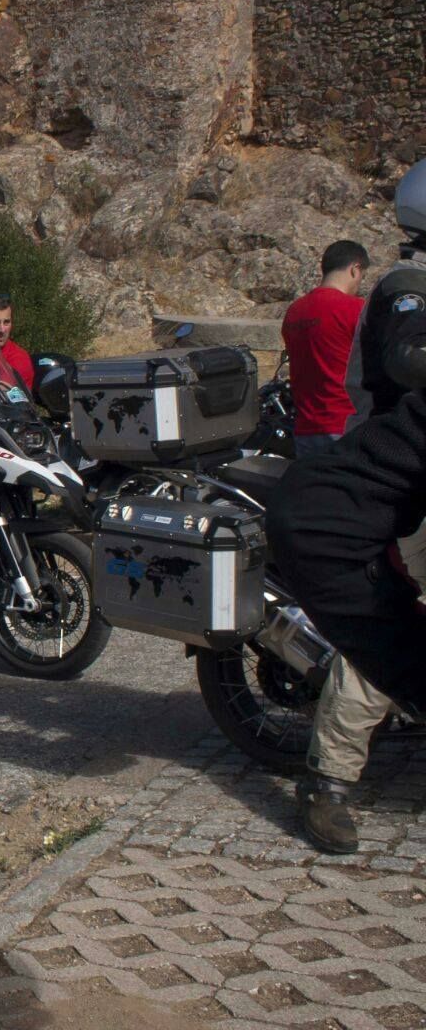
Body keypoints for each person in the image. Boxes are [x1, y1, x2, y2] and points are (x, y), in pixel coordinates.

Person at [284, 160, 426, 853]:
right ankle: (330, 779)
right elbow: (404, 361)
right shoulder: (407, 289)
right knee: (388, 621)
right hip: (400, 490)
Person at [281, 240, 370, 458]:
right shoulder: (355, 309)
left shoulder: (294, 311)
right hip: (346, 424)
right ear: (355, 269)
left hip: (306, 428)